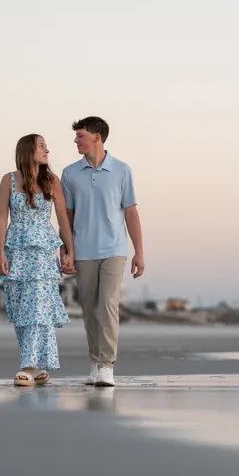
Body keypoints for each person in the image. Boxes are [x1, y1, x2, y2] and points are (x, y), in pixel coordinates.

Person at [60, 116, 144, 387]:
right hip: (83, 250)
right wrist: (67, 249)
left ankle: (107, 365)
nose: (76, 140)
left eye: (80, 136)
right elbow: (67, 216)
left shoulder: (122, 170)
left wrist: (139, 252)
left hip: (114, 249)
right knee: (90, 309)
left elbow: (131, 212)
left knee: (108, 304)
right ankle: (96, 362)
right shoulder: (70, 173)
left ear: (97, 137)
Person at [0, 133, 75, 387]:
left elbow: (62, 219)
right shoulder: (8, 180)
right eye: (42, 146)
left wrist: (69, 251)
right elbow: (1, 219)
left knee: (38, 308)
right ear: (28, 151)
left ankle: (26, 367)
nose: (47, 150)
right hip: (16, 251)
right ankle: (39, 366)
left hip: (42, 252)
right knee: (22, 310)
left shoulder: (52, 181)